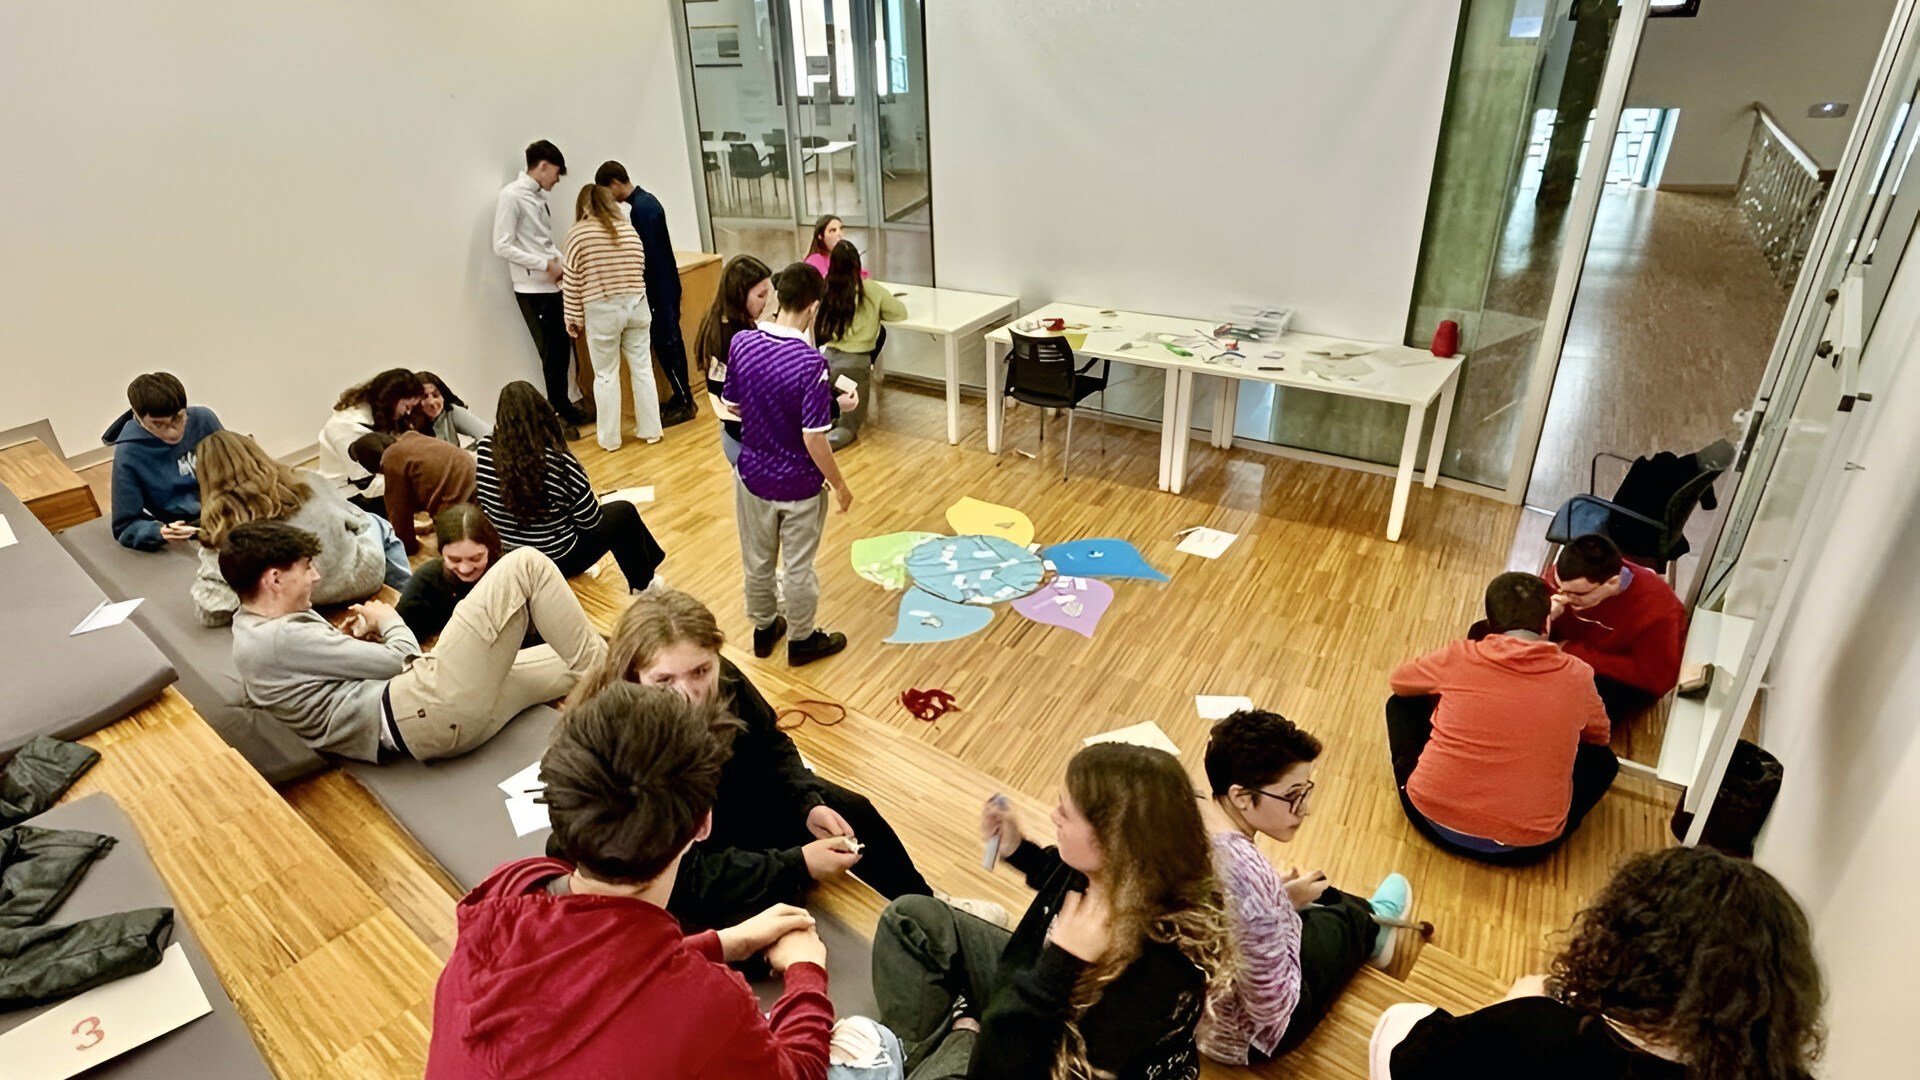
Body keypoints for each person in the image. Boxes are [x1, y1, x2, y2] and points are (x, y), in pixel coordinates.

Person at [427, 681, 906, 1079]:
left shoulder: (515, 884)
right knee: (875, 1044)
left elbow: (594, 975)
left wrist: (722, 943)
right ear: (703, 824)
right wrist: (805, 972)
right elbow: (796, 1072)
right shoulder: (705, 1005)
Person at [564, 587, 975, 930]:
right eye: (664, 681)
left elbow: (771, 744)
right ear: (633, 677)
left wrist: (807, 802)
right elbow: (683, 878)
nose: (688, 695)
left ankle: (932, 909)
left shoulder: (724, 678)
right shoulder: (617, 745)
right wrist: (797, 865)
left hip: (725, 807)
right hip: (679, 860)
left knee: (851, 810)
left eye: (701, 672)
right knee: (764, 918)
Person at [873, 743, 1235, 1080]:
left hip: (1033, 1038)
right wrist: (1018, 850)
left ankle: (956, 1038)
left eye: (1066, 811)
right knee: (909, 920)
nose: (1054, 815)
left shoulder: (1152, 978)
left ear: (1112, 840)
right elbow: (1058, 872)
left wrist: (1059, 965)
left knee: (968, 1042)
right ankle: (928, 1052)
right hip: (1025, 992)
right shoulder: (1115, 873)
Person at [1373, 846, 1825, 1080]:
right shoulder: (1782, 1072)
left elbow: (1409, 1064)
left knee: (1399, 1019)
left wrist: (1517, 1005)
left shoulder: (1538, 1031)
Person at [223, 520, 606, 762]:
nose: (316, 576)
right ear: (274, 579)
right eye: (306, 568)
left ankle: (625, 684)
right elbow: (401, 659)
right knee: (527, 565)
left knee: (587, 658)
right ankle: (625, 699)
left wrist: (345, 642)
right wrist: (389, 621)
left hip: (439, 721)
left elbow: (313, 674)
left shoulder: (255, 625)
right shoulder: (279, 638)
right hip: (428, 707)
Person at [1198, 709, 1413, 1066]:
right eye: (1294, 795)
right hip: (1253, 1038)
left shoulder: (1195, 817)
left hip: (1204, 1013)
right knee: (1342, 919)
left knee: (1318, 890)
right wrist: (1280, 910)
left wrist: (1280, 902)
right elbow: (1272, 1007)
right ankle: (1371, 930)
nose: (1306, 809)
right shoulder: (1249, 875)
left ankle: (1362, 917)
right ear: (1241, 796)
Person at [1385, 572, 1616, 865]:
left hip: (1430, 819)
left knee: (1400, 704)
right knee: (1604, 762)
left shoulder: (1460, 656)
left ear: (1489, 626)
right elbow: (1599, 736)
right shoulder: (1578, 675)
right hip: (1524, 848)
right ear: (1547, 622)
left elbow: (1399, 682)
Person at [725, 264, 855, 666]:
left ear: (779, 297)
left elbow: (732, 404)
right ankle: (802, 639)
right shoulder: (810, 364)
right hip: (799, 485)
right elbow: (814, 437)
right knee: (798, 568)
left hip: (752, 476)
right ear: (813, 307)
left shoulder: (743, 343)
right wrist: (840, 485)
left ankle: (764, 628)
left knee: (757, 562)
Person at [192, 431, 404, 627]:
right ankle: (406, 595)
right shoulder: (307, 481)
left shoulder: (223, 530)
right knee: (375, 522)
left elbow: (211, 610)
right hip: (361, 576)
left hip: (301, 596)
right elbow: (354, 522)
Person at [474, 381, 664, 591]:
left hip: (514, 555)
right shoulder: (557, 462)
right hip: (559, 558)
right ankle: (643, 584)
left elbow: (485, 503)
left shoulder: (485, 449)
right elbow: (590, 521)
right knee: (624, 513)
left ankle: (649, 571)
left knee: (618, 516)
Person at [494, 139, 590, 436]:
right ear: (544, 166)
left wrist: (561, 264)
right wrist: (544, 265)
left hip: (552, 285)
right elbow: (502, 245)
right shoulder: (511, 196)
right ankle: (556, 413)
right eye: (556, 173)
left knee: (562, 349)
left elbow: (542, 241)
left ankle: (564, 403)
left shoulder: (537, 197)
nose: (557, 180)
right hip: (532, 289)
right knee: (550, 353)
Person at [595, 159, 697, 425]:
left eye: (607, 192)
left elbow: (647, 256)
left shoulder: (640, 210)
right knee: (669, 343)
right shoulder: (647, 202)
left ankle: (685, 400)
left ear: (614, 183)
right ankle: (681, 395)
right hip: (666, 285)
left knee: (668, 345)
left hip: (658, 289)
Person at [1545, 533, 1687, 722]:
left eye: (1577, 594)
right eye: (1559, 587)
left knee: (1565, 716)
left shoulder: (1658, 610)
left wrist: (1572, 651)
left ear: (1612, 583)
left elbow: (1655, 679)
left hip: (1617, 676)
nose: (1565, 597)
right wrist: (1542, 617)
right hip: (1571, 651)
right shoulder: (1568, 576)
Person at [562, 183, 660, 451]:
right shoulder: (627, 229)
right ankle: (651, 430)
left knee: (606, 375)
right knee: (642, 368)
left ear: (583, 206)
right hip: (637, 305)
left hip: (602, 309)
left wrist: (573, 318)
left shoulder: (578, 234)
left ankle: (610, 439)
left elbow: (572, 280)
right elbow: (640, 266)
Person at [101, 372, 223, 551]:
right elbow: (126, 526)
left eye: (179, 418)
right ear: (137, 416)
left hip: (227, 509)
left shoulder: (204, 420)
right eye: (159, 424)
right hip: (188, 529)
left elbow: (240, 470)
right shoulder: (129, 453)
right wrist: (159, 532)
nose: (173, 432)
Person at [814, 240, 904, 449]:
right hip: (854, 366)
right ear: (857, 264)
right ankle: (816, 451)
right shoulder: (870, 289)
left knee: (822, 420)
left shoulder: (825, 288)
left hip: (826, 363)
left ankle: (808, 443)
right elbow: (899, 313)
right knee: (848, 426)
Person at [695, 254, 774, 466]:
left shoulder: (721, 322)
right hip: (745, 439)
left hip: (736, 433)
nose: (765, 302)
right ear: (739, 295)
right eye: (760, 295)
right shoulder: (730, 338)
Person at [347, 431, 477, 556]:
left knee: (447, 552)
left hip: (458, 505)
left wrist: (407, 547)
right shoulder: (411, 438)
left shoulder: (392, 457)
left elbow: (399, 512)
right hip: (476, 486)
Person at [316, 368, 427, 514]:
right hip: (349, 496)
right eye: (407, 407)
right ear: (392, 401)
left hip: (369, 484)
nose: (407, 413)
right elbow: (368, 486)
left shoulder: (377, 414)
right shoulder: (347, 427)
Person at [396, 504, 508, 642]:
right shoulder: (427, 581)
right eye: (454, 560)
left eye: (475, 558)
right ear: (441, 553)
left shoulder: (507, 576)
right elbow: (400, 634)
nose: (465, 569)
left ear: (490, 549)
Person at [413, 371, 491, 447]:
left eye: (436, 395)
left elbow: (489, 434)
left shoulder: (450, 411)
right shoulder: (409, 423)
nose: (432, 402)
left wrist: (465, 453)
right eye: (424, 397)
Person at [804, 215, 868, 279]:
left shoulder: (842, 256)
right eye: (833, 230)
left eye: (840, 229)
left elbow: (861, 275)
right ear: (820, 236)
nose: (839, 234)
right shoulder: (814, 260)